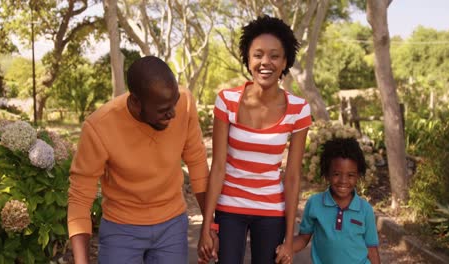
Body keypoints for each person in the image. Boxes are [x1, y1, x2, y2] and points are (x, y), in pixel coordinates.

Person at [67, 56, 209, 263]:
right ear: (135, 102)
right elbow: (80, 197)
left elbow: (196, 162)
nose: (172, 114)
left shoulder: (185, 103)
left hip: (172, 225)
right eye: (162, 110)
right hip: (120, 229)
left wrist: (209, 225)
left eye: (174, 103)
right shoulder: (99, 127)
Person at [198, 15, 311, 264]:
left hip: (271, 210)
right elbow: (217, 166)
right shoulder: (226, 101)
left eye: (274, 56)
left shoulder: (299, 109)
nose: (265, 62)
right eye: (258, 54)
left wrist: (289, 240)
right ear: (248, 59)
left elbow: (292, 176)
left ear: (285, 62)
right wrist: (207, 226)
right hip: (229, 208)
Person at [276, 138, 381, 264]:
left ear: (358, 176)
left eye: (350, 175)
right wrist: (287, 248)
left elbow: (372, 249)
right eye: (336, 174)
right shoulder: (314, 203)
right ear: (327, 174)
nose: (343, 180)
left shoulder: (365, 209)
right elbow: (303, 238)